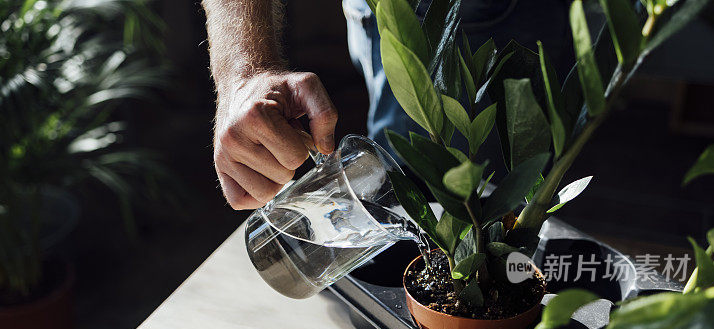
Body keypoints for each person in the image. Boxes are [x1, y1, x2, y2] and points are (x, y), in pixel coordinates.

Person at [203, 0, 573, 210]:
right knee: (425, 193)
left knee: (506, 196)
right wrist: (243, 74)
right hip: (393, 12)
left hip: (505, 13)